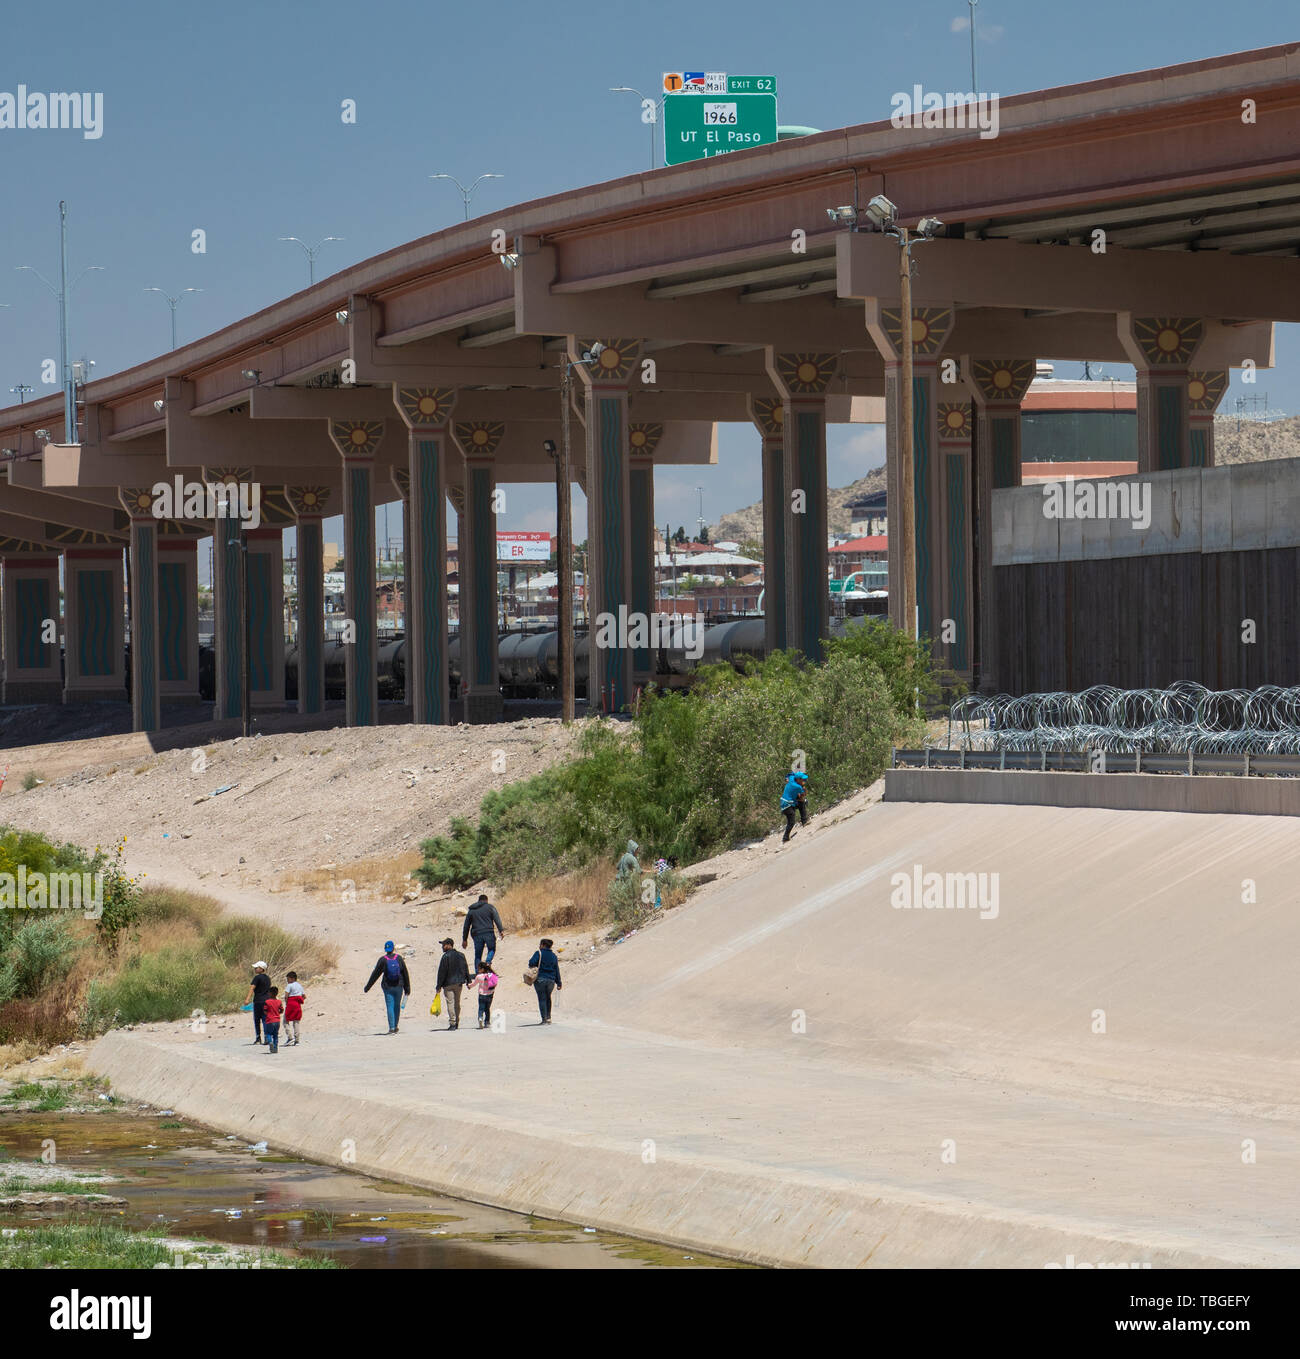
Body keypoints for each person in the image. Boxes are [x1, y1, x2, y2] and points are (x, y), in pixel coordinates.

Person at [364, 941, 411, 1034]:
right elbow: (405, 973)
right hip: (399, 986)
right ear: (393, 948)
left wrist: (368, 987)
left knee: (390, 1006)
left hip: (387, 987)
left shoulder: (382, 960)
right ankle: (396, 1026)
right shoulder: (399, 958)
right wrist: (407, 988)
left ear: (385, 949)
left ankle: (391, 1028)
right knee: (397, 1006)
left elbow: (375, 974)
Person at [461, 893, 505, 972]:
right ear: (486, 900)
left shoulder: (471, 910)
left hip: (476, 934)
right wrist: (501, 930)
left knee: (478, 954)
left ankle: (478, 972)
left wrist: (465, 939)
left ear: (479, 900)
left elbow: (466, 926)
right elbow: (497, 919)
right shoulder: (490, 907)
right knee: (491, 949)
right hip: (488, 932)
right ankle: (488, 962)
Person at [435, 937, 470, 1031]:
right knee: (457, 1003)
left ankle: (453, 1023)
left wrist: (438, 986)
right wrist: (468, 981)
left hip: (448, 984)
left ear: (449, 945)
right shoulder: (461, 955)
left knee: (450, 1003)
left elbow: (442, 972)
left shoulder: (445, 956)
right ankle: (457, 1021)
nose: (442, 947)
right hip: (459, 983)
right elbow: (465, 968)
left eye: (443, 945)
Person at [528, 938, 562, 1025]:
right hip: (551, 980)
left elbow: (531, 963)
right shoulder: (554, 956)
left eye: (540, 944)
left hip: (540, 979)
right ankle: (549, 1018)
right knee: (548, 998)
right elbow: (556, 969)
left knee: (542, 998)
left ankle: (544, 1019)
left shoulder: (539, 953)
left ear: (543, 945)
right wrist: (559, 982)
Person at [242, 962, 271, 1045]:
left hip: (258, 1001)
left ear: (262, 969)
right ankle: (266, 1037)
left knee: (257, 1020)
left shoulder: (257, 978)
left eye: (256, 968)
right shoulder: (268, 978)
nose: (255, 969)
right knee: (265, 1019)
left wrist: (247, 999)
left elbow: (252, 988)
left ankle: (258, 1038)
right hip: (267, 1000)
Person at [780, 770, 809, 843]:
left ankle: (804, 821)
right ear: (798, 779)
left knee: (801, 803)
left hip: (789, 803)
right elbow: (801, 796)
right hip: (787, 805)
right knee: (791, 821)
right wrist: (804, 791)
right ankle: (785, 838)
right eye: (803, 779)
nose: (804, 781)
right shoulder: (798, 787)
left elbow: (790, 774)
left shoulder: (792, 778)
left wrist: (787, 778)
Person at [471, 960, 499, 1029]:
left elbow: (473, 984)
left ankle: (480, 1018)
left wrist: (469, 986)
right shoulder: (491, 975)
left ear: (482, 969)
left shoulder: (479, 976)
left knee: (481, 1008)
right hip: (490, 994)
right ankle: (487, 1022)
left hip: (482, 995)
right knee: (487, 1009)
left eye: (479, 968)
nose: (477, 970)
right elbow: (495, 983)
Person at [283, 972, 306, 1046]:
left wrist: (286, 1003)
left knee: (285, 1021)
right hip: (297, 1005)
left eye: (288, 979)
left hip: (290, 1004)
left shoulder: (289, 985)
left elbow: (286, 995)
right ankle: (297, 1040)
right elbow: (304, 996)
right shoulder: (300, 986)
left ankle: (290, 1037)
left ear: (292, 978)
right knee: (296, 1022)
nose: (287, 980)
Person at [262, 987, 283, 1054]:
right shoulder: (279, 1001)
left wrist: (268, 1014)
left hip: (269, 1020)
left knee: (268, 1033)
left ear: (269, 993)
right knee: (275, 1035)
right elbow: (282, 1010)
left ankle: (270, 1042)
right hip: (277, 1020)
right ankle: (275, 1048)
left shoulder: (267, 1002)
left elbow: (265, 1011)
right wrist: (277, 1013)